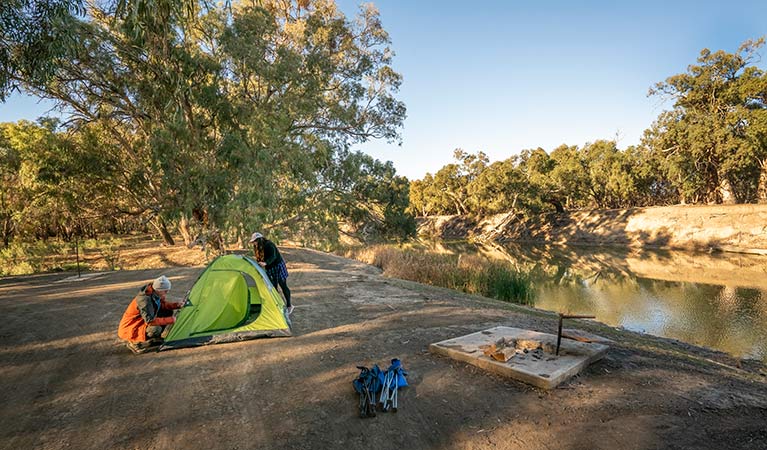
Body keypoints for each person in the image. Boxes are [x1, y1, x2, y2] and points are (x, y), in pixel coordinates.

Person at [118, 275, 184, 354]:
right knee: (155, 329)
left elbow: (162, 305)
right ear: (158, 289)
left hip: (142, 321)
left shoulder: (155, 293)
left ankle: (155, 338)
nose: (167, 292)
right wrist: (172, 320)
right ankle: (134, 343)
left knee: (168, 312)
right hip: (131, 327)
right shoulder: (145, 300)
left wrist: (176, 305)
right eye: (165, 290)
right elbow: (150, 321)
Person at [249, 232, 293, 314]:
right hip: (269, 268)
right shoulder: (257, 247)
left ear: (259, 240)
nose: (254, 243)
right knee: (273, 287)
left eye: (255, 241)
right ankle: (278, 305)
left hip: (278, 265)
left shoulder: (269, 245)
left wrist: (266, 263)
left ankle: (289, 305)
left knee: (283, 285)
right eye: (253, 242)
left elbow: (273, 256)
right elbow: (258, 258)